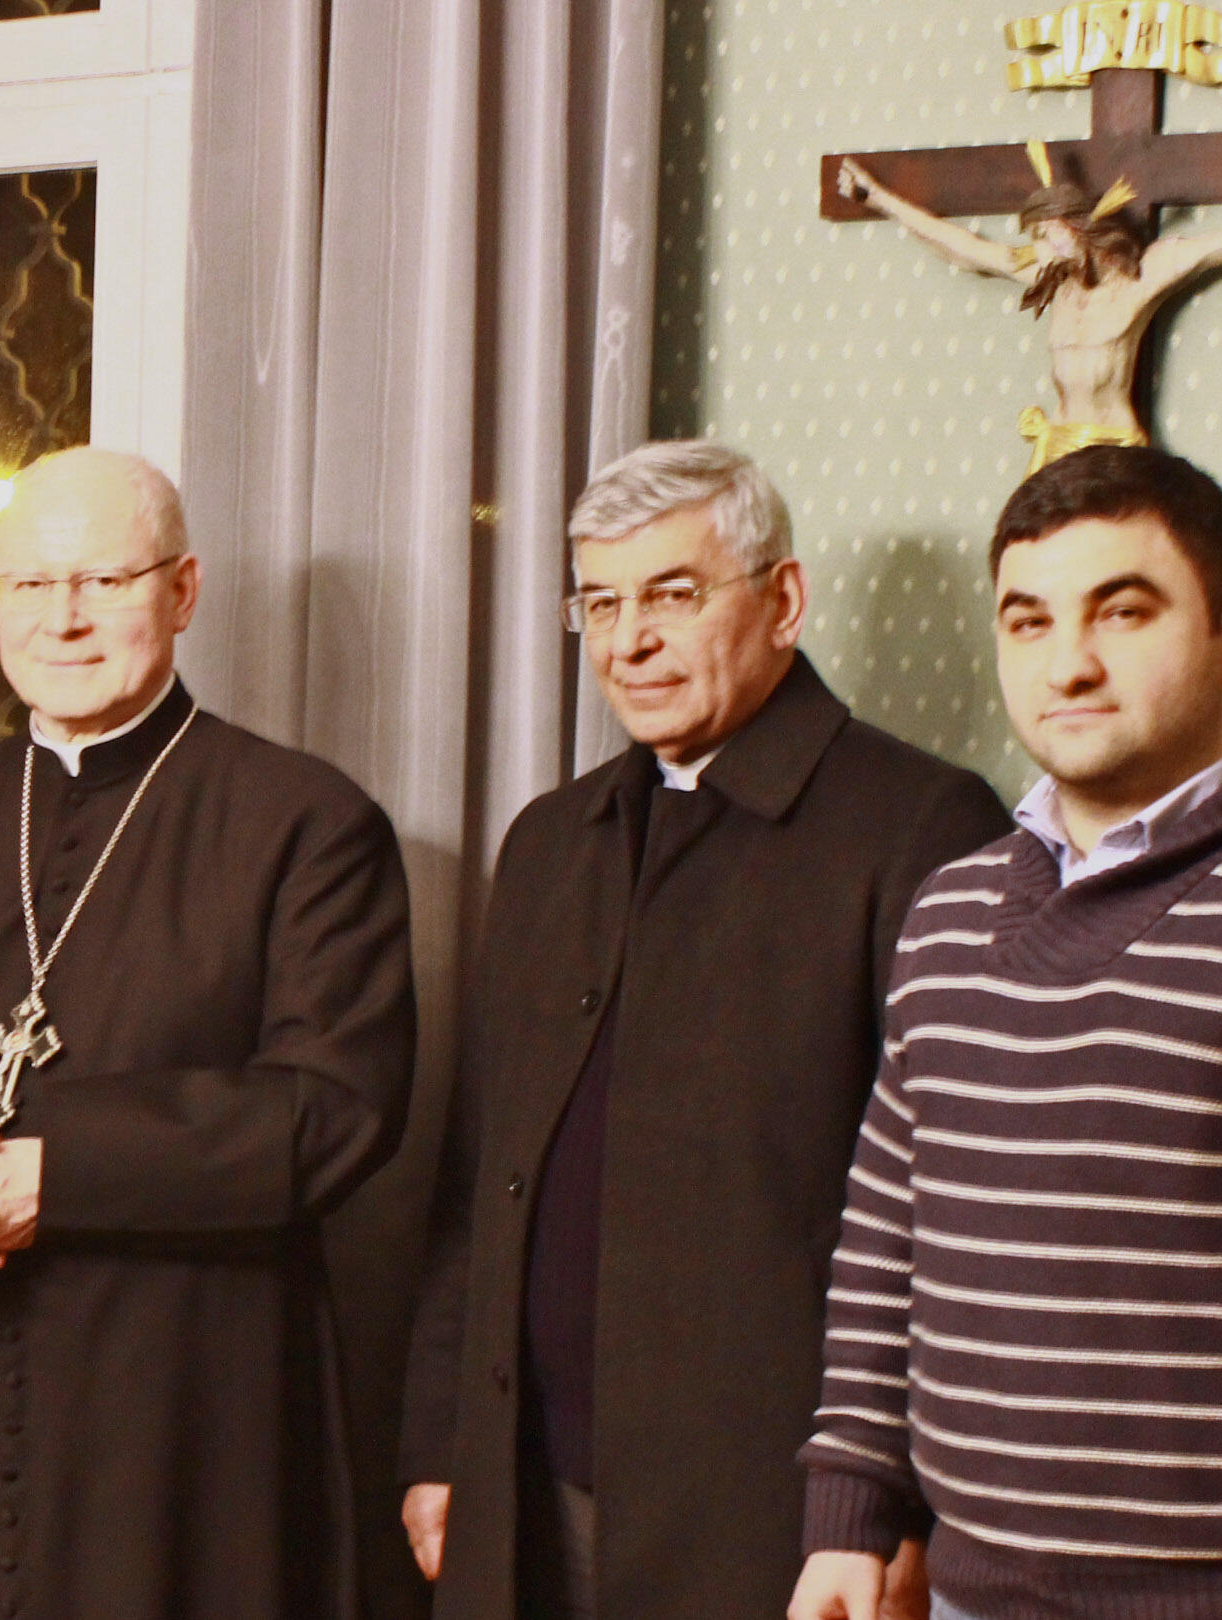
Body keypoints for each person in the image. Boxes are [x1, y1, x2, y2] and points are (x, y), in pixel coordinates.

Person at [791, 447, 1222, 1620]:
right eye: (1029, 622)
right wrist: (852, 1505)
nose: (1070, 662)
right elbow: (889, 1231)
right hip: (961, 1597)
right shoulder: (949, 910)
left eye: (1122, 612)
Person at [0, 446, 414, 1620]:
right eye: (29, 585)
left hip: (180, 1424)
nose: (62, 619)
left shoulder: (305, 824)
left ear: (184, 590)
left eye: (104, 583)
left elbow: (334, 1109)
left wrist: (54, 1175)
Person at [396, 442, 1007, 1620]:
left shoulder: (921, 826)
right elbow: (477, 1183)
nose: (629, 642)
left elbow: (956, 1218)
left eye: (674, 595)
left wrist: (896, 1510)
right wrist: (440, 1441)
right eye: (602, 604)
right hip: (521, 1490)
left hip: (773, 1518)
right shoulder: (549, 840)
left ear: (783, 602)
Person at [834, 112, 1222, 470]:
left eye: (1047, 235)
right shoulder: (1049, 279)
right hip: (1054, 459)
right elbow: (959, 247)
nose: (1040, 249)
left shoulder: (1146, 276)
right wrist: (880, 198)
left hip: (1118, 458)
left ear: (1075, 227)